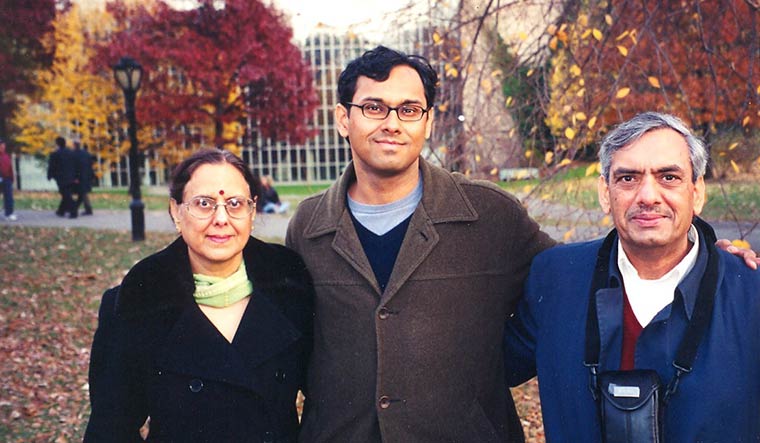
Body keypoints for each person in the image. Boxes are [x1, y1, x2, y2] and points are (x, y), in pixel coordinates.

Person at [286, 45, 556, 442]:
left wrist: (502, 363)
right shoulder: (309, 225)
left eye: (409, 110)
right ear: (343, 118)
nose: (392, 124)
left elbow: (566, 287)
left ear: (427, 121)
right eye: (374, 108)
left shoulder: (489, 214)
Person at [503, 112, 760, 441]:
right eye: (628, 178)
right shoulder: (556, 280)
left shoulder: (749, 292)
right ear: (604, 193)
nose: (648, 196)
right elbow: (484, 365)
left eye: (669, 177)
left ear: (697, 192)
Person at [85, 149, 314, 442]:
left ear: (252, 212)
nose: (221, 218)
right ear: (176, 212)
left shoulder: (290, 287)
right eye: (204, 204)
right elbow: (110, 429)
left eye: (234, 204)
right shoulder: (138, 301)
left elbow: (324, 395)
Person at [47, 136, 77, 218]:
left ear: (57, 144)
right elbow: (75, 165)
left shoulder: (55, 154)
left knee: (66, 195)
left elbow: (52, 166)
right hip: (71, 177)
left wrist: (49, 176)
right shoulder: (71, 153)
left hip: (61, 178)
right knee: (66, 194)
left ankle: (73, 210)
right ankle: (61, 210)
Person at [73, 140, 95, 216]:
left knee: (82, 194)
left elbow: (76, 167)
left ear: (74, 145)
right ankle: (87, 209)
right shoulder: (86, 154)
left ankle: (75, 208)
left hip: (80, 177)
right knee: (83, 193)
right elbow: (91, 165)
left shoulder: (75, 154)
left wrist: (75, 177)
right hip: (87, 176)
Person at [0, 138, 16, 221]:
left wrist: (12, 178)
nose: (2, 147)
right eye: (1, 145)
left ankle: (9, 214)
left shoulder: (6, 156)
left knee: (9, 197)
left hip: (7, 179)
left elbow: (10, 168)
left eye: (3, 145)